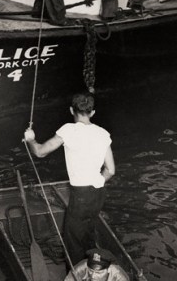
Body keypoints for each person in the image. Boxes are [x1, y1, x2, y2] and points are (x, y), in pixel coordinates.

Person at [23, 92, 114, 263]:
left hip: (81, 195)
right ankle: (93, 268)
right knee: (88, 232)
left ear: (71, 110)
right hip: (99, 193)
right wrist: (97, 182)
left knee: (72, 242)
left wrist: (31, 140)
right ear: (93, 113)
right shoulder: (103, 134)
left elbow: (40, 152)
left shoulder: (68, 130)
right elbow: (110, 170)